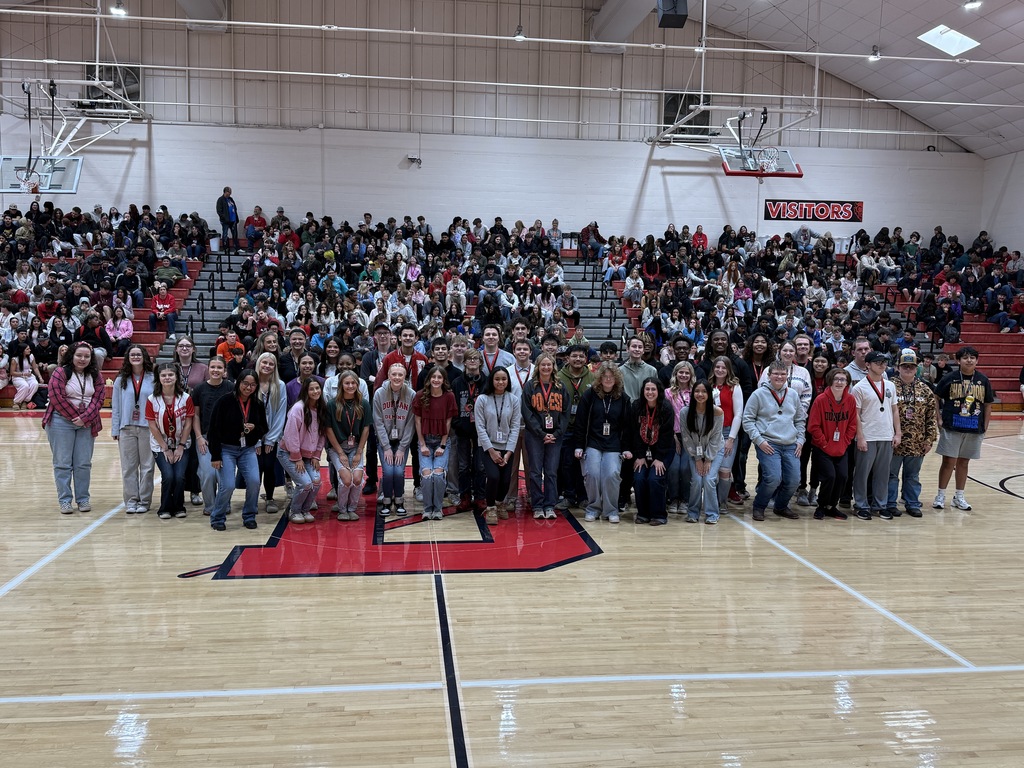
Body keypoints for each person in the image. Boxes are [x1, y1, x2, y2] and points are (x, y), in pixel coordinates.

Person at [42, 341, 106, 514]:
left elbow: (99, 398)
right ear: (71, 355)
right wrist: (74, 417)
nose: (82, 359)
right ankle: (65, 500)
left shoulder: (95, 375)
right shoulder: (60, 372)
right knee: (62, 464)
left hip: (87, 422)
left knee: (83, 463)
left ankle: (83, 499)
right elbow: (56, 397)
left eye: (86, 356)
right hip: (60, 421)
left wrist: (84, 418)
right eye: (79, 355)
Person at [742, 361, 807, 522]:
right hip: (768, 443)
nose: (779, 377)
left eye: (783, 374)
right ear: (769, 375)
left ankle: (781, 506)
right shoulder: (758, 394)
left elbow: (800, 420)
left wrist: (800, 440)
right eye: (776, 373)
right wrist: (759, 440)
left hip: (791, 444)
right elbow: (747, 420)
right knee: (773, 478)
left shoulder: (793, 394)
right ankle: (759, 506)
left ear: (787, 376)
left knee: (794, 481)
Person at [933, 346, 994, 511]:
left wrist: (985, 425)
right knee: (948, 461)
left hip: (973, 427)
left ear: (977, 360)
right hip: (952, 426)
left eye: (972, 357)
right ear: (958, 360)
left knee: (964, 462)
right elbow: (935, 397)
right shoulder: (950, 378)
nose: (969, 360)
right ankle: (940, 495)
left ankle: (959, 496)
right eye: (965, 357)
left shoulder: (983, 380)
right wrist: (938, 418)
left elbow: (988, 404)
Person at [207, 370, 270, 531]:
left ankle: (249, 515)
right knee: (228, 485)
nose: (248, 387)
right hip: (226, 449)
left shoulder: (257, 404)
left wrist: (254, 428)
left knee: (254, 482)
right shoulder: (224, 401)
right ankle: (218, 517)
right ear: (238, 383)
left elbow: (264, 428)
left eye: (253, 385)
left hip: (247, 449)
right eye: (245, 383)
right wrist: (215, 455)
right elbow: (213, 430)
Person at [574, 362, 631, 523]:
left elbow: (627, 426)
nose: (608, 379)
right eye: (605, 376)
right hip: (593, 442)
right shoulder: (590, 395)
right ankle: (593, 508)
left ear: (616, 378)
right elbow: (580, 422)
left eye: (611, 376)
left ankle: (610, 510)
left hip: (613, 444)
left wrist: (626, 448)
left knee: (611, 475)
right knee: (592, 474)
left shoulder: (623, 398)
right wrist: (579, 445)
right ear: (599, 378)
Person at [852, 351, 901, 520]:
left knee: (883, 474)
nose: (882, 365)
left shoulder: (890, 385)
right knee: (862, 473)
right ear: (868, 365)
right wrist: (860, 437)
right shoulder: (859, 387)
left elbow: (895, 410)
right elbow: (856, 414)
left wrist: (898, 433)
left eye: (884, 362)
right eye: (878, 362)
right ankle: (860, 505)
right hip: (868, 435)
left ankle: (880, 505)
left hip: (886, 435)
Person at [889, 350, 938, 519]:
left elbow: (931, 416)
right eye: (905, 366)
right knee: (891, 475)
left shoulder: (925, 389)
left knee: (912, 476)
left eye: (911, 366)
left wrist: (929, 439)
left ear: (917, 368)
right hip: (894, 441)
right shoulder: (889, 386)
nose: (908, 369)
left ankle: (912, 503)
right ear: (898, 367)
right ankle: (890, 503)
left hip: (917, 441)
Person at [521, 353, 569, 519]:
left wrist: (557, 433)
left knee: (551, 471)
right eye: (543, 365)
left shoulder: (560, 386)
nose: (546, 367)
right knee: (535, 471)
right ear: (538, 367)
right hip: (535, 435)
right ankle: (537, 505)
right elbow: (527, 413)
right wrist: (541, 433)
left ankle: (549, 505)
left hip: (555, 436)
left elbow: (565, 413)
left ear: (553, 366)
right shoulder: (530, 386)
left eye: (549, 364)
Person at [807, 367, 858, 520]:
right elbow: (813, 426)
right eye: (836, 379)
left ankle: (831, 506)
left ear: (847, 383)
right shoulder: (821, 399)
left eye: (843, 379)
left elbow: (852, 425)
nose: (839, 382)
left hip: (841, 447)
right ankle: (821, 506)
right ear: (830, 380)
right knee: (830, 476)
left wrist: (845, 442)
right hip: (822, 448)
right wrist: (824, 443)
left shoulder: (850, 400)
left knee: (842, 476)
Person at [146, 362, 195, 520]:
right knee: (168, 476)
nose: (167, 378)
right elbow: (152, 425)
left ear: (176, 377)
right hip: (160, 445)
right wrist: (165, 448)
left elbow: (188, 424)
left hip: (182, 444)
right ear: (158, 378)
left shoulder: (186, 398)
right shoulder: (152, 399)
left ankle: (179, 507)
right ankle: (165, 508)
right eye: (163, 375)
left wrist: (180, 446)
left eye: (170, 375)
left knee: (179, 476)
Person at [110, 345, 156, 514]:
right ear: (128, 358)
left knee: (147, 467)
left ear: (144, 357)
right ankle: (131, 501)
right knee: (128, 467)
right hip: (126, 428)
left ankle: (144, 501)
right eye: (132, 354)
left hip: (148, 428)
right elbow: (116, 406)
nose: (136, 357)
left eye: (139, 354)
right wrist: (115, 429)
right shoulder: (120, 379)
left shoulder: (153, 378)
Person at [474, 366, 522, 524]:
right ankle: (491, 508)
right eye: (497, 379)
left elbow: (515, 427)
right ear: (491, 380)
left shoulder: (513, 400)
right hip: (487, 446)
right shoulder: (482, 399)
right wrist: (492, 451)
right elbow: (480, 427)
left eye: (503, 379)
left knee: (506, 480)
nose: (500, 382)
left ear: (508, 381)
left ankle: (500, 503)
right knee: (494, 477)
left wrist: (508, 452)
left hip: (507, 446)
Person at [626, 377, 675, 525]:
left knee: (655, 478)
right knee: (639, 477)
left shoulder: (666, 408)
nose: (650, 392)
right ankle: (643, 514)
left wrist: (659, 458)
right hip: (642, 451)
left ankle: (659, 515)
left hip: (663, 451)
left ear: (658, 391)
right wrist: (640, 456)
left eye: (653, 389)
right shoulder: (636, 406)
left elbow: (667, 436)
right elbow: (634, 433)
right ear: (643, 391)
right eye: (647, 389)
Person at [279, 378, 327, 525]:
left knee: (316, 482)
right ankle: (294, 511)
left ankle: (305, 510)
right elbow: (291, 435)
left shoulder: (321, 408)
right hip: (289, 453)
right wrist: (297, 457)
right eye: (311, 389)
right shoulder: (297, 409)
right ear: (305, 391)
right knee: (305, 484)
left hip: (309, 455)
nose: (315, 391)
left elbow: (322, 434)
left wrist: (317, 456)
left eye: (317, 388)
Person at [412, 367, 457, 520]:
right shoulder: (420, 395)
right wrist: (422, 444)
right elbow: (417, 422)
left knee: (438, 475)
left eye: (439, 377)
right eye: (434, 377)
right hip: (425, 440)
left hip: (441, 441)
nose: (436, 380)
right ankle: (427, 509)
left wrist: (442, 445)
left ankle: (437, 509)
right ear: (429, 379)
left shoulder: (449, 396)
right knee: (426, 476)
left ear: (444, 380)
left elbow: (448, 422)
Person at [325, 371, 371, 521]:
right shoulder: (332, 404)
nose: (350, 386)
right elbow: (328, 429)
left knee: (357, 479)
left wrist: (359, 452)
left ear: (358, 384)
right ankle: (342, 509)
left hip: (355, 447)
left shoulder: (363, 403)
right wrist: (340, 453)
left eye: (353, 383)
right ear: (341, 385)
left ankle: (352, 508)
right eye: (347, 383)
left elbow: (366, 429)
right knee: (346, 479)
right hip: (337, 447)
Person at [372, 362, 416, 517]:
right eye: (394, 374)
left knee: (398, 471)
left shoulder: (411, 394)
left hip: (402, 441)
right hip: (385, 440)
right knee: (388, 471)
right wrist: (386, 447)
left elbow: (411, 424)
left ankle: (399, 500)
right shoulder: (379, 393)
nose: (397, 377)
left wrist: (402, 448)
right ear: (389, 376)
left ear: (405, 377)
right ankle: (386, 500)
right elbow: (378, 422)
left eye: (400, 375)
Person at [192, 356, 234, 517]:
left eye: (219, 367)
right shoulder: (199, 389)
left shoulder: (231, 387)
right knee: (208, 474)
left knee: (224, 475)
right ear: (208, 369)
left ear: (224, 371)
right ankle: (210, 506)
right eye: (213, 367)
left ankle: (224, 504)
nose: (216, 370)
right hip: (205, 438)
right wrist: (199, 437)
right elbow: (195, 415)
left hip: (226, 440)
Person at [680, 380, 725, 524]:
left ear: (709, 394)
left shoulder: (717, 412)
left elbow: (716, 438)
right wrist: (698, 458)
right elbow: (686, 437)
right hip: (694, 451)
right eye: (697, 391)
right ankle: (693, 512)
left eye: (704, 391)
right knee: (697, 480)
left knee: (709, 479)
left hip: (714, 450)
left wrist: (708, 459)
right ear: (692, 393)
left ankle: (712, 514)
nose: (700, 394)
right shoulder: (685, 412)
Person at [555, 344, 594, 510]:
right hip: (565, 428)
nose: (578, 359)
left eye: (581, 356)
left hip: (586, 429)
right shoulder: (558, 377)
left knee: (584, 465)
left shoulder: (593, 378)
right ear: (567, 358)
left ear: (586, 359)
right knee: (567, 463)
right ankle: (569, 496)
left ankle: (583, 497)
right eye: (574, 356)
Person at [451, 349, 487, 512]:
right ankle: (464, 496)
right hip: (462, 430)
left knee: (480, 466)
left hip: (481, 431)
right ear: (464, 362)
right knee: (463, 466)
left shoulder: (486, 382)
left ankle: (480, 496)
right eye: (469, 359)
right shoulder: (457, 382)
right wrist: (457, 424)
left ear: (480, 362)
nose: (472, 361)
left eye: (475, 358)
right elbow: (453, 406)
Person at [254, 351, 288, 514]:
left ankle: (269, 497)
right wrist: (256, 440)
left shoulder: (280, 385)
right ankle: (252, 499)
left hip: (271, 436)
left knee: (269, 466)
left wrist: (270, 439)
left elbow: (281, 414)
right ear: (259, 363)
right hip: (252, 437)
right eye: (264, 362)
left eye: (271, 364)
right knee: (255, 469)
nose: (267, 366)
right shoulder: (250, 383)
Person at [709, 356, 744, 512]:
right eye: (717, 367)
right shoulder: (708, 385)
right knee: (711, 471)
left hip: (728, 432)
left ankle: (722, 502)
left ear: (729, 370)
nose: (720, 370)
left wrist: (731, 438)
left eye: (724, 367)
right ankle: (711, 501)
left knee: (724, 471)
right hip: (710, 433)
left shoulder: (734, 387)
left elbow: (738, 414)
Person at [8, 341, 41, 409]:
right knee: (25, 386)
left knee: (35, 384)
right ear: (22, 351)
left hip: (29, 376)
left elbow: (35, 368)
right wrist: (23, 374)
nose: (30, 350)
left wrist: (40, 377)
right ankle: (16, 402)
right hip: (17, 376)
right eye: (27, 349)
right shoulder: (15, 359)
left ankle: (25, 401)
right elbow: (12, 372)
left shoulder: (31, 356)